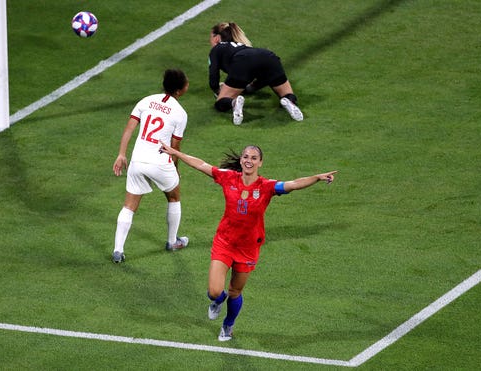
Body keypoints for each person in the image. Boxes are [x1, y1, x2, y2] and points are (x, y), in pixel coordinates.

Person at [159, 141, 337, 341]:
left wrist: (317, 178)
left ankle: (228, 325)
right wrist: (175, 152)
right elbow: (201, 165)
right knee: (214, 291)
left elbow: (294, 184)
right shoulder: (228, 178)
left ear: (260, 162)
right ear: (241, 160)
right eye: (246, 157)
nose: (249, 161)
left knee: (235, 291)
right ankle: (218, 301)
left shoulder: (267, 187)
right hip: (224, 242)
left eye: (254, 158)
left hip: (248, 248)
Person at [111, 69, 190, 264]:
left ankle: (118, 250)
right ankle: (172, 241)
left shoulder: (146, 101)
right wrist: (175, 167)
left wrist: (122, 154)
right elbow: (175, 146)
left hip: (138, 161)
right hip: (161, 162)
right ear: (180, 90)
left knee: (129, 205)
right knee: (174, 196)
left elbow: (129, 129)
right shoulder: (180, 113)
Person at [208, 22, 304, 125]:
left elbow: (213, 74)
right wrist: (250, 88)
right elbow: (263, 79)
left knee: (220, 103)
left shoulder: (217, 49)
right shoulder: (244, 46)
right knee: (287, 94)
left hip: (243, 62)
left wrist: (217, 90)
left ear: (217, 38)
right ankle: (289, 101)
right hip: (269, 57)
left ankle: (234, 103)